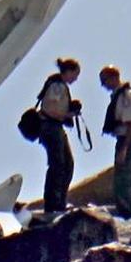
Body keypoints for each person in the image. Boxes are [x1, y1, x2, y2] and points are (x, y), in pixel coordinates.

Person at [99, 64, 131, 219]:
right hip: (123, 140)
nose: (103, 85)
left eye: (105, 80)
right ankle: (126, 214)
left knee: (125, 183)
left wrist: (124, 149)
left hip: (130, 141)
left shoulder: (125, 96)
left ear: (114, 78)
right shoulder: (118, 95)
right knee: (118, 184)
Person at [37, 57, 83, 213]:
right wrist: (68, 113)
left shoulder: (60, 85)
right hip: (51, 127)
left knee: (66, 164)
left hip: (55, 127)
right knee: (58, 165)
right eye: (75, 74)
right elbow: (51, 109)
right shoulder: (57, 86)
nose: (76, 78)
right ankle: (53, 204)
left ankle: (59, 202)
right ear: (68, 72)